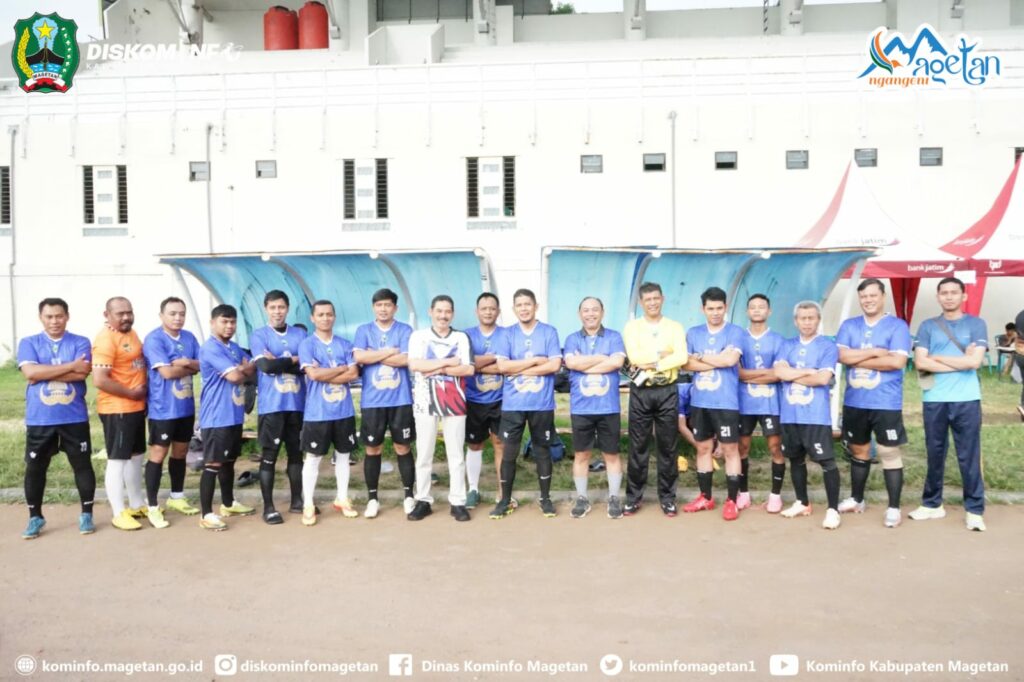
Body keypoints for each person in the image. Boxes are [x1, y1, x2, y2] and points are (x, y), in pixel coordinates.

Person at [910, 277, 989, 531]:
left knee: (968, 455)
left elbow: (974, 362)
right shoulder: (928, 326)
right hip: (934, 399)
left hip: (967, 399)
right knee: (934, 453)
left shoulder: (976, 324)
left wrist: (937, 357)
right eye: (944, 293)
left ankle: (974, 510)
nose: (949, 296)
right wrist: (960, 362)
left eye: (954, 292)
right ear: (938, 297)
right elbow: (921, 362)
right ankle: (932, 504)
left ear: (963, 296)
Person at [835, 279, 912, 528]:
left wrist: (857, 359)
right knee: (859, 450)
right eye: (864, 296)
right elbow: (841, 356)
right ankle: (857, 499)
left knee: (889, 452)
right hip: (855, 401)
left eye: (872, 295)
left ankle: (893, 508)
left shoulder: (897, 326)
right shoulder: (850, 325)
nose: (868, 300)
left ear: (883, 296)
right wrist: (876, 352)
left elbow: (896, 362)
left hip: (885, 402)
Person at [17, 298, 97, 539]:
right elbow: (30, 373)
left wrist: (42, 373)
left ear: (67, 316)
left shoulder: (80, 341)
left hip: (74, 417)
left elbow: (82, 372)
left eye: (59, 316)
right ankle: (35, 517)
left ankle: (86, 514)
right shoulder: (29, 342)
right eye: (49, 316)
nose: (54, 321)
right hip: (40, 418)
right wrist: (70, 366)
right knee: (35, 467)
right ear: (41, 318)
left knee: (82, 465)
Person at [489, 288, 562, 519]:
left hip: (541, 404)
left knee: (542, 451)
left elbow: (554, 365)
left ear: (536, 306)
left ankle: (545, 499)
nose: (524, 308)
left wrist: (519, 368)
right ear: (514, 309)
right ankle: (504, 500)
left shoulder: (549, 332)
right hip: (513, 404)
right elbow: (503, 367)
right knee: (509, 452)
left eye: (527, 304)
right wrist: (535, 361)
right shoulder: (507, 334)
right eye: (519, 305)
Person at [773, 301, 842, 530]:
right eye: (803, 318)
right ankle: (802, 502)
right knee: (795, 459)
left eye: (811, 318)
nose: (807, 322)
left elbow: (822, 379)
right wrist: (807, 371)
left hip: (815, 415)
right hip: (790, 414)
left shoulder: (827, 346)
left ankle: (833, 509)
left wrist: (792, 373)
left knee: (826, 461)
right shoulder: (787, 344)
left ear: (818, 320)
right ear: (796, 321)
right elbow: (779, 372)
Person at [622, 282, 688, 517]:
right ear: (641, 302)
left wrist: (655, 363)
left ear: (663, 299)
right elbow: (634, 358)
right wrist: (664, 354)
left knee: (668, 446)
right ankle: (633, 497)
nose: (652, 303)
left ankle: (668, 498)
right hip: (641, 390)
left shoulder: (675, 326)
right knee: (638, 445)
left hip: (667, 389)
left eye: (656, 298)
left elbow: (681, 356)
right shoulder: (632, 327)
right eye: (648, 299)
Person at [407, 295, 475, 521]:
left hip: (454, 400)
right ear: (431, 312)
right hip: (424, 400)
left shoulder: (461, 337)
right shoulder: (419, 336)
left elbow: (468, 369)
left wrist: (438, 370)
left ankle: (458, 501)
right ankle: (423, 499)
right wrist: (448, 362)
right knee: (424, 453)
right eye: (439, 311)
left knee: (456, 454)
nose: (443, 316)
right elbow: (415, 364)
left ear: (452, 314)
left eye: (447, 312)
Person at [682, 287, 746, 521]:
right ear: (703, 309)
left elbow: (731, 360)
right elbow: (686, 364)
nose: (715, 312)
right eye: (711, 308)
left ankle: (732, 500)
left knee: (730, 450)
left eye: (719, 308)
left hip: (726, 402)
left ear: (725, 307)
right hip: (700, 401)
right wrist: (717, 359)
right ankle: (705, 497)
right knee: (703, 448)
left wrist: (700, 357)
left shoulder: (735, 332)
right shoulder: (693, 333)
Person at [353, 288, 416, 518]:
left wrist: (375, 355)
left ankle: (409, 496)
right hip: (373, 402)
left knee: (403, 447)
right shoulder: (363, 330)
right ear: (373, 307)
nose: (383, 309)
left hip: (401, 400)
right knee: (373, 448)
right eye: (379, 305)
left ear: (395, 308)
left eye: (387, 305)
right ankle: (372, 499)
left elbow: (407, 359)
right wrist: (390, 352)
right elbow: (359, 357)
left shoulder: (405, 330)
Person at [562, 296, 627, 519]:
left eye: (595, 310)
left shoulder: (614, 337)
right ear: (580, 314)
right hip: (581, 408)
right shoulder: (572, 339)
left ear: (602, 312)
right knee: (582, 454)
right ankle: (582, 498)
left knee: (612, 454)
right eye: (586, 310)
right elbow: (572, 363)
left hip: (608, 407)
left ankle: (614, 498)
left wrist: (585, 364)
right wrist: (601, 358)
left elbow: (617, 362)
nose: (590, 314)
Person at [297, 300, 360, 526]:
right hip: (317, 413)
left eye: (329, 314)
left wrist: (327, 371)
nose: (325, 318)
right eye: (321, 315)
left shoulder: (345, 344)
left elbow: (353, 374)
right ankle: (308, 504)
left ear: (334, 317)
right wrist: (340, 368)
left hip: (343, 411)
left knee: (344, 456)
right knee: (313, 458)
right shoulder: (307, 345)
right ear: (313, 318)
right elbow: (313, 375)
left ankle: (342, 498)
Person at [141, 297, 201, 529]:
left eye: (182, 314)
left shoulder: (189, 338)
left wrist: (184, 362)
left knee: (181, 451)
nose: (178, 318)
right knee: (158, 453)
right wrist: (187, 366)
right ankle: (152, 506)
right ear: (161, 316)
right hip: (163, 409)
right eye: (173, 313)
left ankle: (177, 496)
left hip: (185, 407)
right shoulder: (154, 339)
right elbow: (166, 373)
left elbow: (201, 365)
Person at [249, 290, 308, 524]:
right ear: (266, 309)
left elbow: (306, 365)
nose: (277, 312)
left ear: (287, 308)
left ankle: (297, 501)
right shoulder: (259, 335)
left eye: (281, 307)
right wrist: (292, 359)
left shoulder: (300, 334)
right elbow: (265, 367)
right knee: (269, 456)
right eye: (273, 307)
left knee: (296, 454)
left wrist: (280, 361)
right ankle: (269, 507)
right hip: (271, 407)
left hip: (297, 404)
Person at [197, 305, 257, 531]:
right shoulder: (210, 348)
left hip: (234, 415)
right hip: (216, 416)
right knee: (212, 464)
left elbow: (252, 368)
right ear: (213, 323)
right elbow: (234, 376)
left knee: (229, 462)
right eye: (224, 321)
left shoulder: (233, 347)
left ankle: (228, 503)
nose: (229, 326)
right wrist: (242, 369)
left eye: (232, 322)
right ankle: (206, 514)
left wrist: (243, 368)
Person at [92, 297, 149, 531]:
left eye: (129, 312)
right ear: (107, 315)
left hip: (135, 408)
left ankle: (136, 503)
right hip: (117, 409)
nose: (126, 317)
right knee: (117, 460)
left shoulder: (131, 333)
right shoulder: (105, 339)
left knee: (136, 456)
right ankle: (118, 512)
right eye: (120, 313)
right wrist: (132, 394)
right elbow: (100, 380)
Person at [737, 294, 786, 513]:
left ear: (769, 311)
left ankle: (775, 496)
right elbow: (738, 373)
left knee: (775, 447)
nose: (757, 310)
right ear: (747, 312)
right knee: (742, 448)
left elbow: (778, 374)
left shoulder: (779, 340)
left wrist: (749, 376)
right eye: (753, 307)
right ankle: (743, 493)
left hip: (770, 403)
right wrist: (766, 374)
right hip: (744, 403)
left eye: (761, 307)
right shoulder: (739, 338)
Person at [464, 293, 507, 510]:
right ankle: (473, 489)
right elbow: (466, 363)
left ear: (498, 311)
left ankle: (502, 491)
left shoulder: (507, 335)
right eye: (484, 308)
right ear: (477, 311)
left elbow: (507, 365)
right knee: (474, 444)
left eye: (492, 308)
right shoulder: (466, 336)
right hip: (473, 399)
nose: (488, 312)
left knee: (500, 443)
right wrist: (493, 358)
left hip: (501, 399)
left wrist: (478, 365)